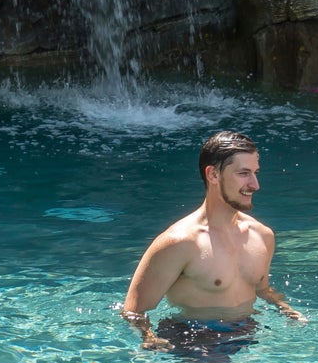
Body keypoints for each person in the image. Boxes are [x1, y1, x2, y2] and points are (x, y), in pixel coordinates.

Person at [121, 130, 304, 351]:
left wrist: (286, 309)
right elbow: (133, 310)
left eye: (255, 173)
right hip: (195, 339)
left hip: (248, 330)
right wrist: (149, 338)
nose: (255, 185)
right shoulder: (180, 243)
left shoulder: (262, 235)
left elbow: (262, 289)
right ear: (213, 175)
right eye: (244, 173)